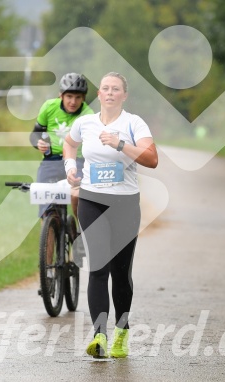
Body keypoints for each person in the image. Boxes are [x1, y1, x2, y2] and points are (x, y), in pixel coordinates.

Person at [63, 72, 158, 358]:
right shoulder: (86, 123)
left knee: (120, 273)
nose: (110, 93)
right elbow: (69, 143)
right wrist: (70, 166)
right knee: (98, 267)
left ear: (124, 95)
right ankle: (100, 335)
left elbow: (152, 159)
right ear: (99, 94)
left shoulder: (133, 123)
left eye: (116, 89)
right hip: (92, 199)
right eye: (105, 88)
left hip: (125, 204)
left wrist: (119, 144)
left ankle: (122, 330)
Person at [29, 73, 93, 219]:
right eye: (69, 96)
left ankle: (82, 230)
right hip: (51, 160)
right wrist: (38, 143)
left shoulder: (88, 115)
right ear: (61, 95)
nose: (73, 101)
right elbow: (34, 135)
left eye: (78, 97)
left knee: (78, 197)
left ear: (83, 98)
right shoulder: (48, 107)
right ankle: (48, 236)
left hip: (78, 161)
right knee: (46, 208)